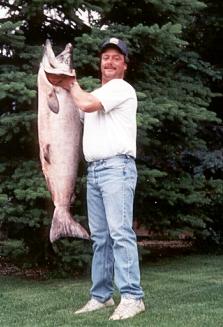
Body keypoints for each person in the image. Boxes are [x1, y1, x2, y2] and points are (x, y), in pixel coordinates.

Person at [46, 37, 145, 320]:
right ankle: (101, 296)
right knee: (101, 239)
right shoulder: (95, 95)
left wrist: (70, 82)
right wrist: (57, 89)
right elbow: (72, 111)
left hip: (117, 169)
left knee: (120, 234)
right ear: (100, 63)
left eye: (116, 57)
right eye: (106, 57)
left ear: (125, 65)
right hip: (96, 172)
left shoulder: (121, 89)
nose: (109, 61)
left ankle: (132, 297)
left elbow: (87, 104)